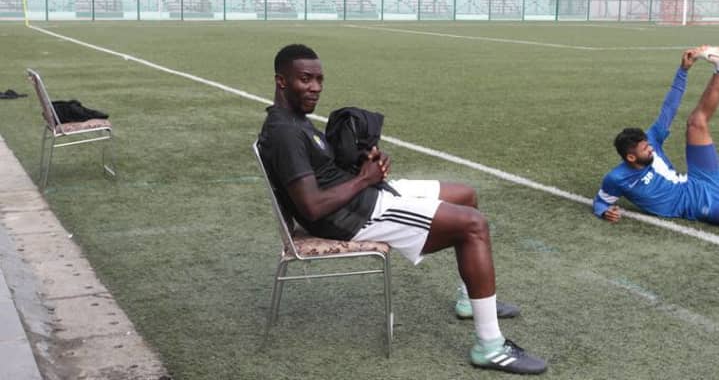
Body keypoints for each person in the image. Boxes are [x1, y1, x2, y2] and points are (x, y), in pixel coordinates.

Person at [258, 44, 547, 375]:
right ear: (281, 81)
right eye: (305, 79)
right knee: (473, 225)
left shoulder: (295, 120)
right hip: (353, 217)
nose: (315, 88)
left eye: (319, 80)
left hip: (360, 197)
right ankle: (490, 346)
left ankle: (470, 300)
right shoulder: (285, 132)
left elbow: (322, 175)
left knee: (466, 195)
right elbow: (312, 206)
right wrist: (364, 179)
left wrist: (361, 163)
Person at [594, 46, 719, 224]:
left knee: (696, 123)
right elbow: (601, 202)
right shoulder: (617, 178)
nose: (651, 148)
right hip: (693, 203)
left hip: (698, 178)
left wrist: (683, 71)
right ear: (631, 157)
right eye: (645, 149)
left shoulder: (651, 138)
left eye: (648, 144)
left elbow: (669, 107)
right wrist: (604, 211)